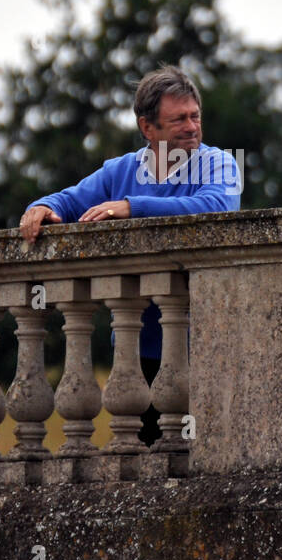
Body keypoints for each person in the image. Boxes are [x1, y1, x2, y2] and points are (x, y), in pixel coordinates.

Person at [18, 65, 243, 443]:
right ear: (148, 129)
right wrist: (40, 207)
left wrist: (131, 207)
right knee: (145, 468)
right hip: (135, 352)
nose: (191, 127)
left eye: (195, 116)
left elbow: (216, 206)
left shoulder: (219, 163)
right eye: (178, 120)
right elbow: (68, 201)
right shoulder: (120, 170)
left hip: (206, 347)